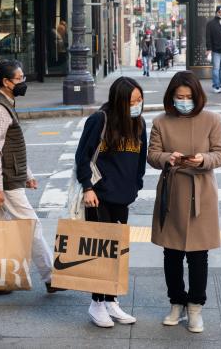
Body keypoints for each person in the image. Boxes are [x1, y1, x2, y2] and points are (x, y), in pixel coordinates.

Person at [147, 71, 221, 333]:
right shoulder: (161, 121)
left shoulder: (212, 120)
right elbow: (153, 154)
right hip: (172, 190)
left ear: (197, 96)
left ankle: (195, 308)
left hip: (201, 192)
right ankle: (176, 303)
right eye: (179, 97)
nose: (183, 101)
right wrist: (168, 158)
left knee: (198, 255)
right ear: (171, 96)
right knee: (171, 252)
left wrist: (202, 159)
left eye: (188, 97)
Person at [0, 60, 63, 295]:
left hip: (5, 179)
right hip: (5, 182)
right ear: (6, 82)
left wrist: (27, 174)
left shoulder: (3, 102)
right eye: (19, 79)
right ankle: (51, 276)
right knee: (30, 226)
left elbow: (10, 146)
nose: (23, 82)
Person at [75, 76, 147, 328]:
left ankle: (111, 300)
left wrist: (136, 186)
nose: (137, 105)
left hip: (122, 197)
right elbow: (82, 156)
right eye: (132, 101)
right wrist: (87, 187)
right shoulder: (99, 120)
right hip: (99, 197)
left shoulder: (139, 123)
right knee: (100, 250)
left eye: (140, 100)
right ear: (119, 101)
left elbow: (141, 159)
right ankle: (96, 303)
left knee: (117, 250)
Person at [205, 5, 221, 93]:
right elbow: (208, 37)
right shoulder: (211, 23)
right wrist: (208, 48)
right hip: (216, 50)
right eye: (219, 12)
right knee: (216, 69)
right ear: (216, 12)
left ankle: (219, 85)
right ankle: (215, 86)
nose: (220, 13)